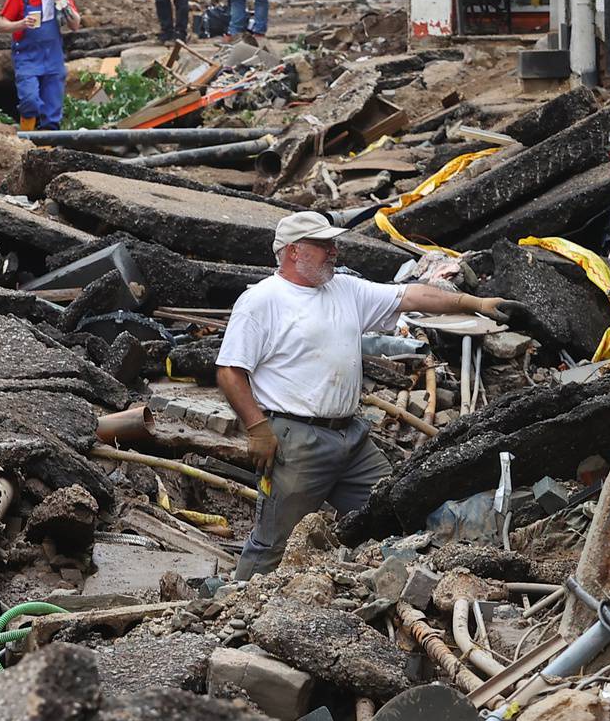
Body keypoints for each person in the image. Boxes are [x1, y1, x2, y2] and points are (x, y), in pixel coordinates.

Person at [215, 211, 520, 579]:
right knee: (274, 540)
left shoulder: (345, 289)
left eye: (333, 243)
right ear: (294, 251)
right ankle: (235, 609)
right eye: (324, 244)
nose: (334, 250)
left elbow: (412, 295)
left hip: (351, 438)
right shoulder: (261, 301)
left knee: (393, 507)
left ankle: (392, 583)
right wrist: (257, 428)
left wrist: (477, 304)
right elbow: (230, 371)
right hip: (297, 442)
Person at [0, 0, 81, 131]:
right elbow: (1, 24)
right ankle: (27, 135)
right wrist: (21, 24)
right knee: (30, 100)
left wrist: (64, 4)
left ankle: (48, 145)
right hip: (28, 55)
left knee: (53, 107)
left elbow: (75, 25)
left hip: (53, 55)